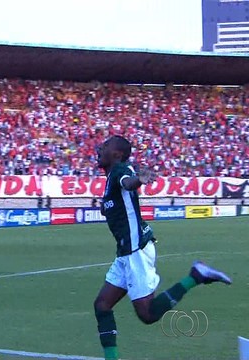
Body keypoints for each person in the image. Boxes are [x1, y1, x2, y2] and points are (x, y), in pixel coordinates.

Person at [92, 136, 232, 360]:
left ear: (117, 154)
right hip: (125, 252)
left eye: (106, 146)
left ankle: (196, 276)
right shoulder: (110, 180)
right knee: (102, 305)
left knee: (148, 314)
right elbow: (120, 199)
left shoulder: (120, 170)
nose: (101, 148)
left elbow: (128, 182)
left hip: (135, 250)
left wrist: (138, 180)